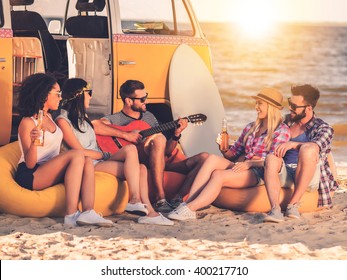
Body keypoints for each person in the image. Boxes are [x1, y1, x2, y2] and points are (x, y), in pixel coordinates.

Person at [55, 78, 174, 226]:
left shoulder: (83, 117)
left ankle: (146, 210)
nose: (91, 97)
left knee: (141, 167)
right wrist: (104, 155)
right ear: (79, 95)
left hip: (99, 159)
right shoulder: (62, 121)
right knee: (131, 151)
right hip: (88, 162)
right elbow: (78, 151)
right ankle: (137, 203)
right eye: (89, 93)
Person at [167, 88, 291, 220]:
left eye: (260, 104)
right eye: (256, 103)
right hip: (242, 165)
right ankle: (187, 205)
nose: (256, 107)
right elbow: (233, 154)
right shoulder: (251, 127)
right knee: (212, 158)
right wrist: (224, 149)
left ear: (270, 107)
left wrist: (249, 163)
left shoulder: (282, 131)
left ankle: (190, 208)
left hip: (258, 172)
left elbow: (273, 162)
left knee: (218, 175)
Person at [92, 79, 207, 212]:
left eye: (146, 97)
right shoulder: (117, 118)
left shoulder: (149, 117)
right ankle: (160, 198)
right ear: (129, 101)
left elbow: (167, 150)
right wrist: (126, 135)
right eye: (142, 99)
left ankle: (178, 200)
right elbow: (95, 125)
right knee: (159, 138)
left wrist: (176, 134)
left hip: (157, 160)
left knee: (203, 158)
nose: (146, 101)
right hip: (136, 159)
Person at [14, 73, 112, 227]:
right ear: (44, 95)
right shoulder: (28, 122)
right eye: (57, 94)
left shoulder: (50, 117)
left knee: (86, 160)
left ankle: (88, 212)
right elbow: (30, 164)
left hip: (49, 169)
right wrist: (34, 142)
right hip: (31, 175)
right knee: (78, 154)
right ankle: (71, 214)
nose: (61, 98)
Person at [263, 84, 339, 223]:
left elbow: (316, 146)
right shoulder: (285, 121)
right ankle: (275, 210)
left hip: (308, 174)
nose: (290, 108)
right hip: (285, 171)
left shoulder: (323, 128)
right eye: (289, 103)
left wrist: (293, 144)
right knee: (271, 157)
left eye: (294, 105)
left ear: (308, 108)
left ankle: (293, 205)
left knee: (308, 149)